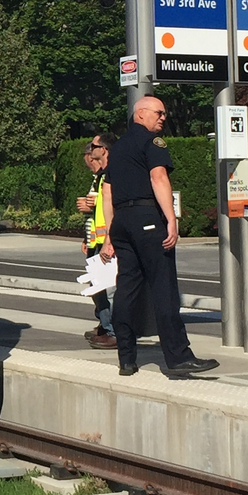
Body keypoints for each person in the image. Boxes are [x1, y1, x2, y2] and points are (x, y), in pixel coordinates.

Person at [100, 95, 218, 380]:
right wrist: (171, 219)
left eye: (164, 113)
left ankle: (126, 358)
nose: (163, 117)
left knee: (127, 288)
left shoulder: (117, 149)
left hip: (122, 222)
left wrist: (108, 235)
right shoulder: (152, 143)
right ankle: (178, 357)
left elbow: (108, 191)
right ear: (140, 114)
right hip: (147, 218)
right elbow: (159, 178)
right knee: (163, 287)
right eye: (159, 112)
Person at [76, 134, 117, 350]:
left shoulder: (111, 175)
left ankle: (112, 330)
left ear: (104, 150)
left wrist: (107, 240)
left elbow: (110, 209)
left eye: (94, 146)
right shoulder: (100, 177)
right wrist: (88, 238)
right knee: (98, 288)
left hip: (106, 241)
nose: (91, 150)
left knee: (106, 288)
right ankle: (106, 325)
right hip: (97, 240)